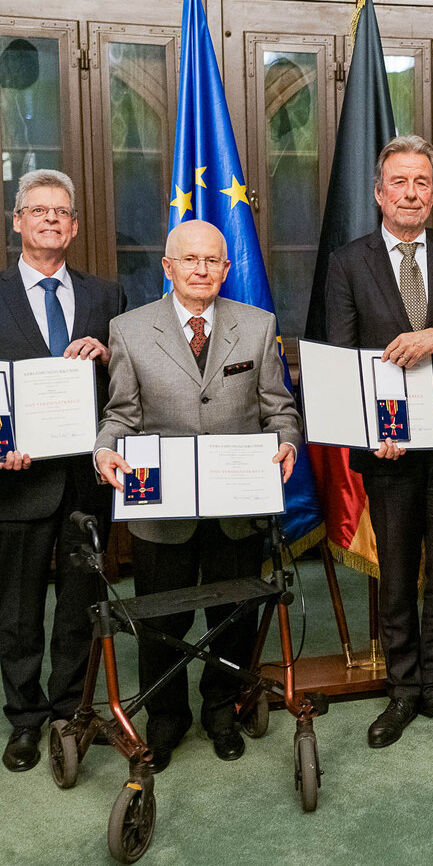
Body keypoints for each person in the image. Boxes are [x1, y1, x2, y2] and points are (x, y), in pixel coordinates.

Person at [93, 220, 302, 771]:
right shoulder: (130, 329)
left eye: (213, 261)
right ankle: (166, 718)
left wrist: (286, 443)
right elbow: (120, 415)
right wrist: (104, 450)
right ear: (168, 267)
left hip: (237, 503)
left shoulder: (256, 326)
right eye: (190, 260)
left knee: (233, 612)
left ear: (227, 269)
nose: (202, 270)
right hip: (162, 508)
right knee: (162, 620)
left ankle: (220, 710)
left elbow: (279, 409)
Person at [323, 136, 433, 748]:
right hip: (388, 448)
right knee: (396, 571)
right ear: (379, 193)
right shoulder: (349, 263)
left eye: (422, 182)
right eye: (399, 182)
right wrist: (375, 434)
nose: (411, 193)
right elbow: (343, 358)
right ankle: (401, 690)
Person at [0, 169, 127, 773]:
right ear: (18, 221)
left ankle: (68, 710)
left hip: (85, 479)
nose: (50, 219)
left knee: (82, 602)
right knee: (19, 609)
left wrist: (106, 355)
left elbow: (127, 388)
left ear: (74, 227)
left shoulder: (106, 298)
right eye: (38, 211)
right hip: (16, 478)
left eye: (61, 212)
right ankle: (25, 719)